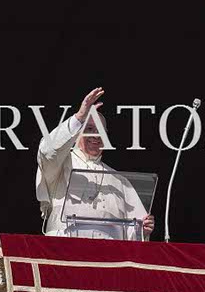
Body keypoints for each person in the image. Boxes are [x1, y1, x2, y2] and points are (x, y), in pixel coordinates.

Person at [36, 87, 155, 240]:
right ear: (77, 132)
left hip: (108, 251)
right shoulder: (60, 164)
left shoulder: (120, 180)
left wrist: (142, 230)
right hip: (65, 245)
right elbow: (47, 151)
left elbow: (132, 231)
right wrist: (80, 116)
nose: (96, 135)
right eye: (90, 128)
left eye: (100, 130)